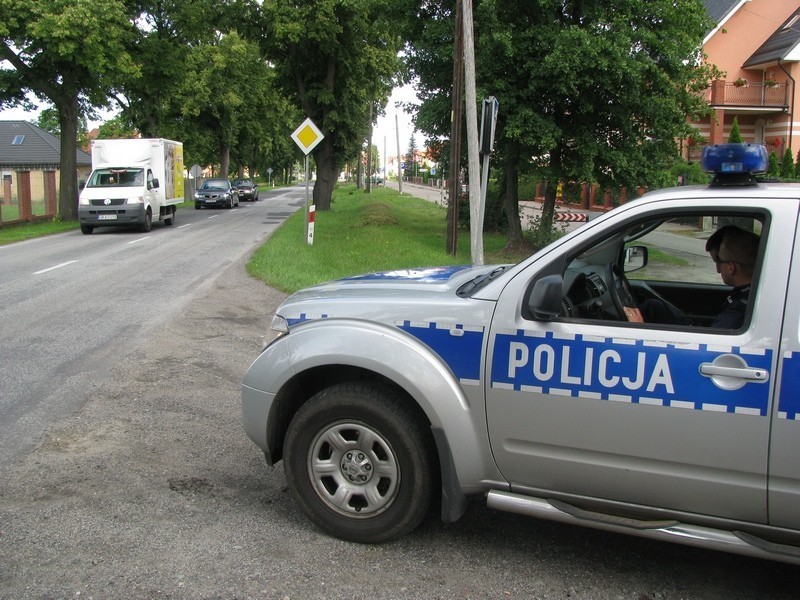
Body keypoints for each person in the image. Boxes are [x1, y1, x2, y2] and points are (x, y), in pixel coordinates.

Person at [708, 226, 759, 329]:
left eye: (719, 262)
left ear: (731, 268)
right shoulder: (756, 294)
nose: (718, 270)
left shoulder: (736, 314)